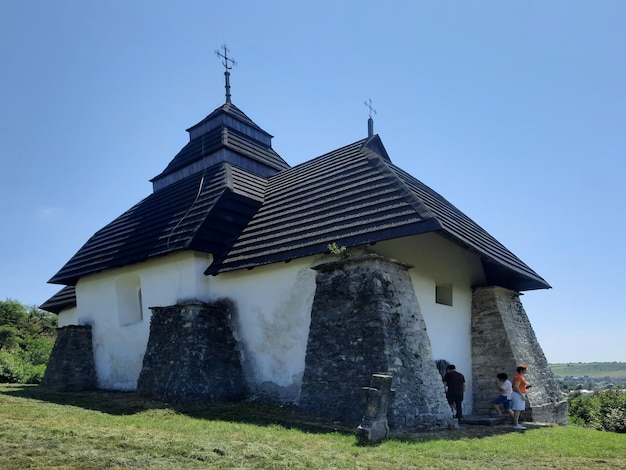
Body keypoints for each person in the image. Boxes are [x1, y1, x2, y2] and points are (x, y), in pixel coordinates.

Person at [511, 363, 532, 430]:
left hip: (520, 393)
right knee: (517, 410)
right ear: (521, 370)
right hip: (518, 394)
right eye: (525, 369)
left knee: (518, 410)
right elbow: (516, 386)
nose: (526, 371)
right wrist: (521, 395)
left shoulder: (520, 377)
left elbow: (519, 386)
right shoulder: (518, 377)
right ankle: (516, 424)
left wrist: (526, 387)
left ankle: (516, 423)